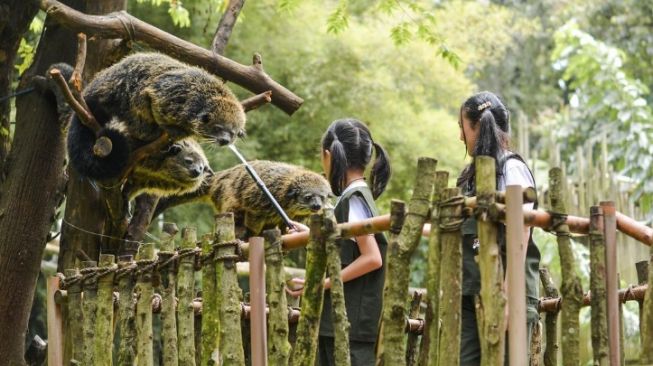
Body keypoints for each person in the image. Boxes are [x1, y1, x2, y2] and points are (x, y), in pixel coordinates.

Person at [287, 118, 391, 366]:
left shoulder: (354, 198)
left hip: (349, 327)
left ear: (328, 155)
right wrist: (309, 233)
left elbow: (372, 257)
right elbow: (348, 243)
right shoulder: (352, 196)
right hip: (342, 324)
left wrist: (320, 284)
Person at [455, 91, 541, 364]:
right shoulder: (473, 175)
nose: (460, 136)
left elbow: (522, 231)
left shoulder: (511, 168)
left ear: (477, 127)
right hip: (473, 291)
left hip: (507, 290)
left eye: (462, 127)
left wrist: (506, 294)